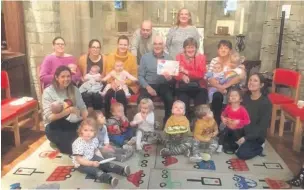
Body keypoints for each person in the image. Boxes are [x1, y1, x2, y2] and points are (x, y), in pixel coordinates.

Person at [72, 118, 131, 187]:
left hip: (92, 156)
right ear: (81, 131)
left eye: (91, 130)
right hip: (81, 164)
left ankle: (122, 170)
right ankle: (109, 179)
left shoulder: (94, 139)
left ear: (95, 132)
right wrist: (91, 163)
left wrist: (102, 160)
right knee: (95, 171)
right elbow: (79, 159)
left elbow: (95, 150)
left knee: (106, 163)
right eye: (85, 130)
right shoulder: (78, 143)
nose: (88, 133)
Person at [42, 66, 88, 154]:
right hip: (54, 125)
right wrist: (69, 110)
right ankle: (59, 143)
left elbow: (82, 107)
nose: (66, 79)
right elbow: (50, 117)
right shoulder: (48, 92)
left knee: (88, 139)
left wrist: (86, 123)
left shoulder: (74, 89)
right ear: (56, 77)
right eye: (63, 76)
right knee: (73, 149)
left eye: (68, 76)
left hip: (72, 122)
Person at [234, 73, 272, 160]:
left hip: (256, 135)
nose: (251, 82)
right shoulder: (245, 97)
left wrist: (246, 138)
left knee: (242, 154)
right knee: (228, 145)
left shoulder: (265, 103)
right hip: (243, 130)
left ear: (261, 85)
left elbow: (262, 126)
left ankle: (259, 147)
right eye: (250, 80)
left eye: (255, 81)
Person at [208, 40, 246, 125]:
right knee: (216, 96)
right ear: (218, 50)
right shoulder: (214, 60)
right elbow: (210, 77)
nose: (223, 50)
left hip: (231, 86)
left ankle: (232, 123)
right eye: (221, 48)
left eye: (226, 48)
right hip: (217, 86)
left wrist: (225, 86)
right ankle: (216, 123)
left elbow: (240, 76)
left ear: (230, 51)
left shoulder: (234, 60)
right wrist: (219, 87)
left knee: (233, 94)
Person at [138, 36, 174, 123]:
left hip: (164, 85)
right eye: (155, 44)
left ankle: (167, 123)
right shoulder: (145, 58)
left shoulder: (169, 58)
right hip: (148, 84)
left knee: (169, 99)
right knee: (141, 99)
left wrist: (169, 78)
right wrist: (148, 87)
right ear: (152, 45)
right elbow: (140, 76)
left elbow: (172, 80)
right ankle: (144, 123)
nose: (157, 46)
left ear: (164, 45)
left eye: (160, 44)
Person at [104, 35, 138, 117]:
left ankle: (123, 118)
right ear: (117, 45)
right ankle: (108, 117)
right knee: (108, 94)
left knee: (120, 93)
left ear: (128, 46)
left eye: (125, 45)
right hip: (113, 84)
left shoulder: (132, 58)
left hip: (128, 85)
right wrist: (112, 83)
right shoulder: (110, 56)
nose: (123, 46)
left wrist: (123, 82)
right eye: (121, 44)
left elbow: (134, 76)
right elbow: (108, 73)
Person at [175, 37, 208, 118]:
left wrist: (186, 72)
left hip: (199, 86)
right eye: (188, 47)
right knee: (182, 103)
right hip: (184, 87)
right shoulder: (179, 57)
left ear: (196, 48)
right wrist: (182, 76)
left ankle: (198, 124)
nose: (190, 50)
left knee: (200, 106)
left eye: (192, 47)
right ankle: (185, 124)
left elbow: (201, 74)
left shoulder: (201, 57)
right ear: (184, 49)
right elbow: (176, 73)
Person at [218, 88, 250, 153]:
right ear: (229, 99)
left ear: (240, 99)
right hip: (229, 127)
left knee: (236, 139)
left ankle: (239, 145)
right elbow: (223, 115)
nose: (233, 97)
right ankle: (220, 145)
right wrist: (223, 119)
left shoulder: (242, 110)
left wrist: (239, 121)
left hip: (238, 130)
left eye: (235, 95)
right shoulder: (228, 107)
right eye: (231, 96)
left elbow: (247, 121)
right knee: (223, 134)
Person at [78, 39, 105, 114]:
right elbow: (79, 72)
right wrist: (83, 79)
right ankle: (88, 115)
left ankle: (97, 115)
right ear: (89, 48)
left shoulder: (104, 58)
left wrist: (100, 79)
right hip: (86, 83)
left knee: (97, 96)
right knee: (85, 95)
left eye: (98, 47)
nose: (95, 49)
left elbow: (106, 74)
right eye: (93, 47)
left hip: (98, 84)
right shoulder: (83, 59)